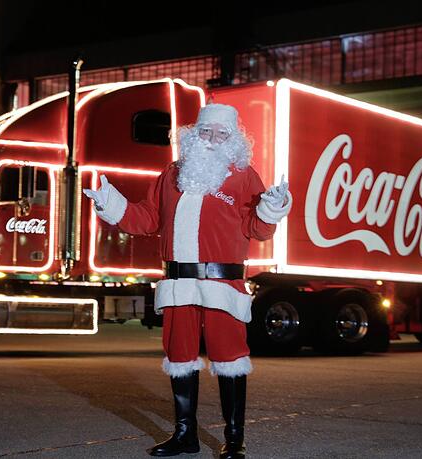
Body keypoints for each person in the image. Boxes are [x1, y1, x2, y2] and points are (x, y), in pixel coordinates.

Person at [83, 103, 291, 458]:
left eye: (221, 134)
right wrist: (111, 203)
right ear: (194, 135)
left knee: (229, 359)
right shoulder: (172, 175)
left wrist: (272, 206)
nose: (212, 139)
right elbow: (148, 219)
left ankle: (235, 440)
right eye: (206, 132)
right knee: (179, 357)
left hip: (222, 286)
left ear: (233, 140)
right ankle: (185, 435)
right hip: (178, 285)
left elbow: (256, 228)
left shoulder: (243, 176)